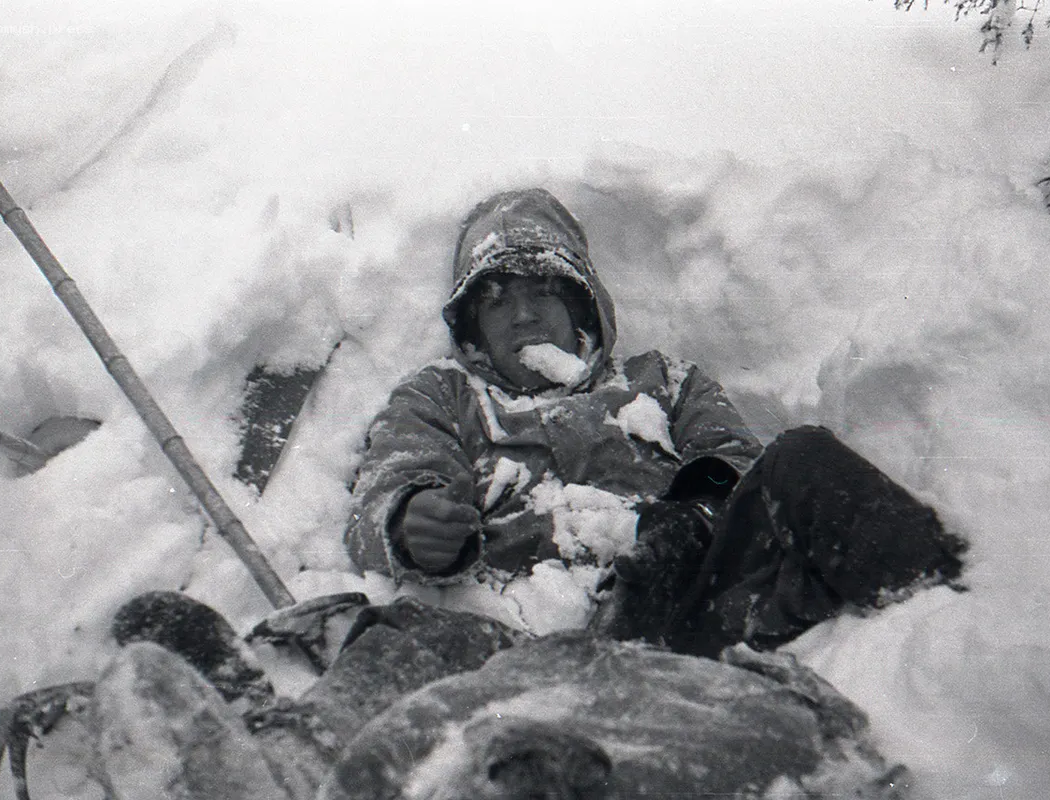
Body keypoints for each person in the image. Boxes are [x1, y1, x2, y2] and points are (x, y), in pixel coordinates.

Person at [345, 187, 965, 654]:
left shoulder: (662, 380)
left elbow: (740, 467)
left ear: (581, 301)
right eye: (497, 300)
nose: (523, 315)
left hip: (692, 602)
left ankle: (950, 644)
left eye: (542, 292)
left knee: (806, 460)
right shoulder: (443, 393)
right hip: (522, 634)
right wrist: (410, 522)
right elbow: (393, 477)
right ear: (473, 327)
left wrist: (689, 519)